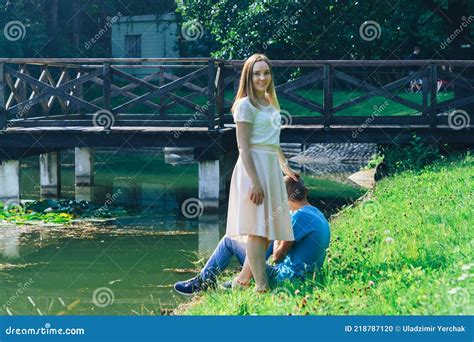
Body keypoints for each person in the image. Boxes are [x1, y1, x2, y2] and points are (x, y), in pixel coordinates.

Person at [174, 176, 331, 295]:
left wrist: (278, 229)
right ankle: (235, 280)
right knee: (258, 240)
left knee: (229, 240)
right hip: (306, 273)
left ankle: (203, 282)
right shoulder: (316, 213)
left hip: (289, 277)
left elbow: (277, 257)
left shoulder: (298, 217)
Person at [223, 53, 299, 293]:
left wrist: (284, 166)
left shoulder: (270, 101)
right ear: (248, 75)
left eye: (266, 73)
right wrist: (255, 182)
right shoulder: (244, 105)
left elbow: (273, 142)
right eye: (257, 73)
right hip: (252, 169)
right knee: (257, 230)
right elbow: (243, 148)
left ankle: (242, 280)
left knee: (266, 232)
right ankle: (261, 286)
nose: (262, 77)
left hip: (270, 168)